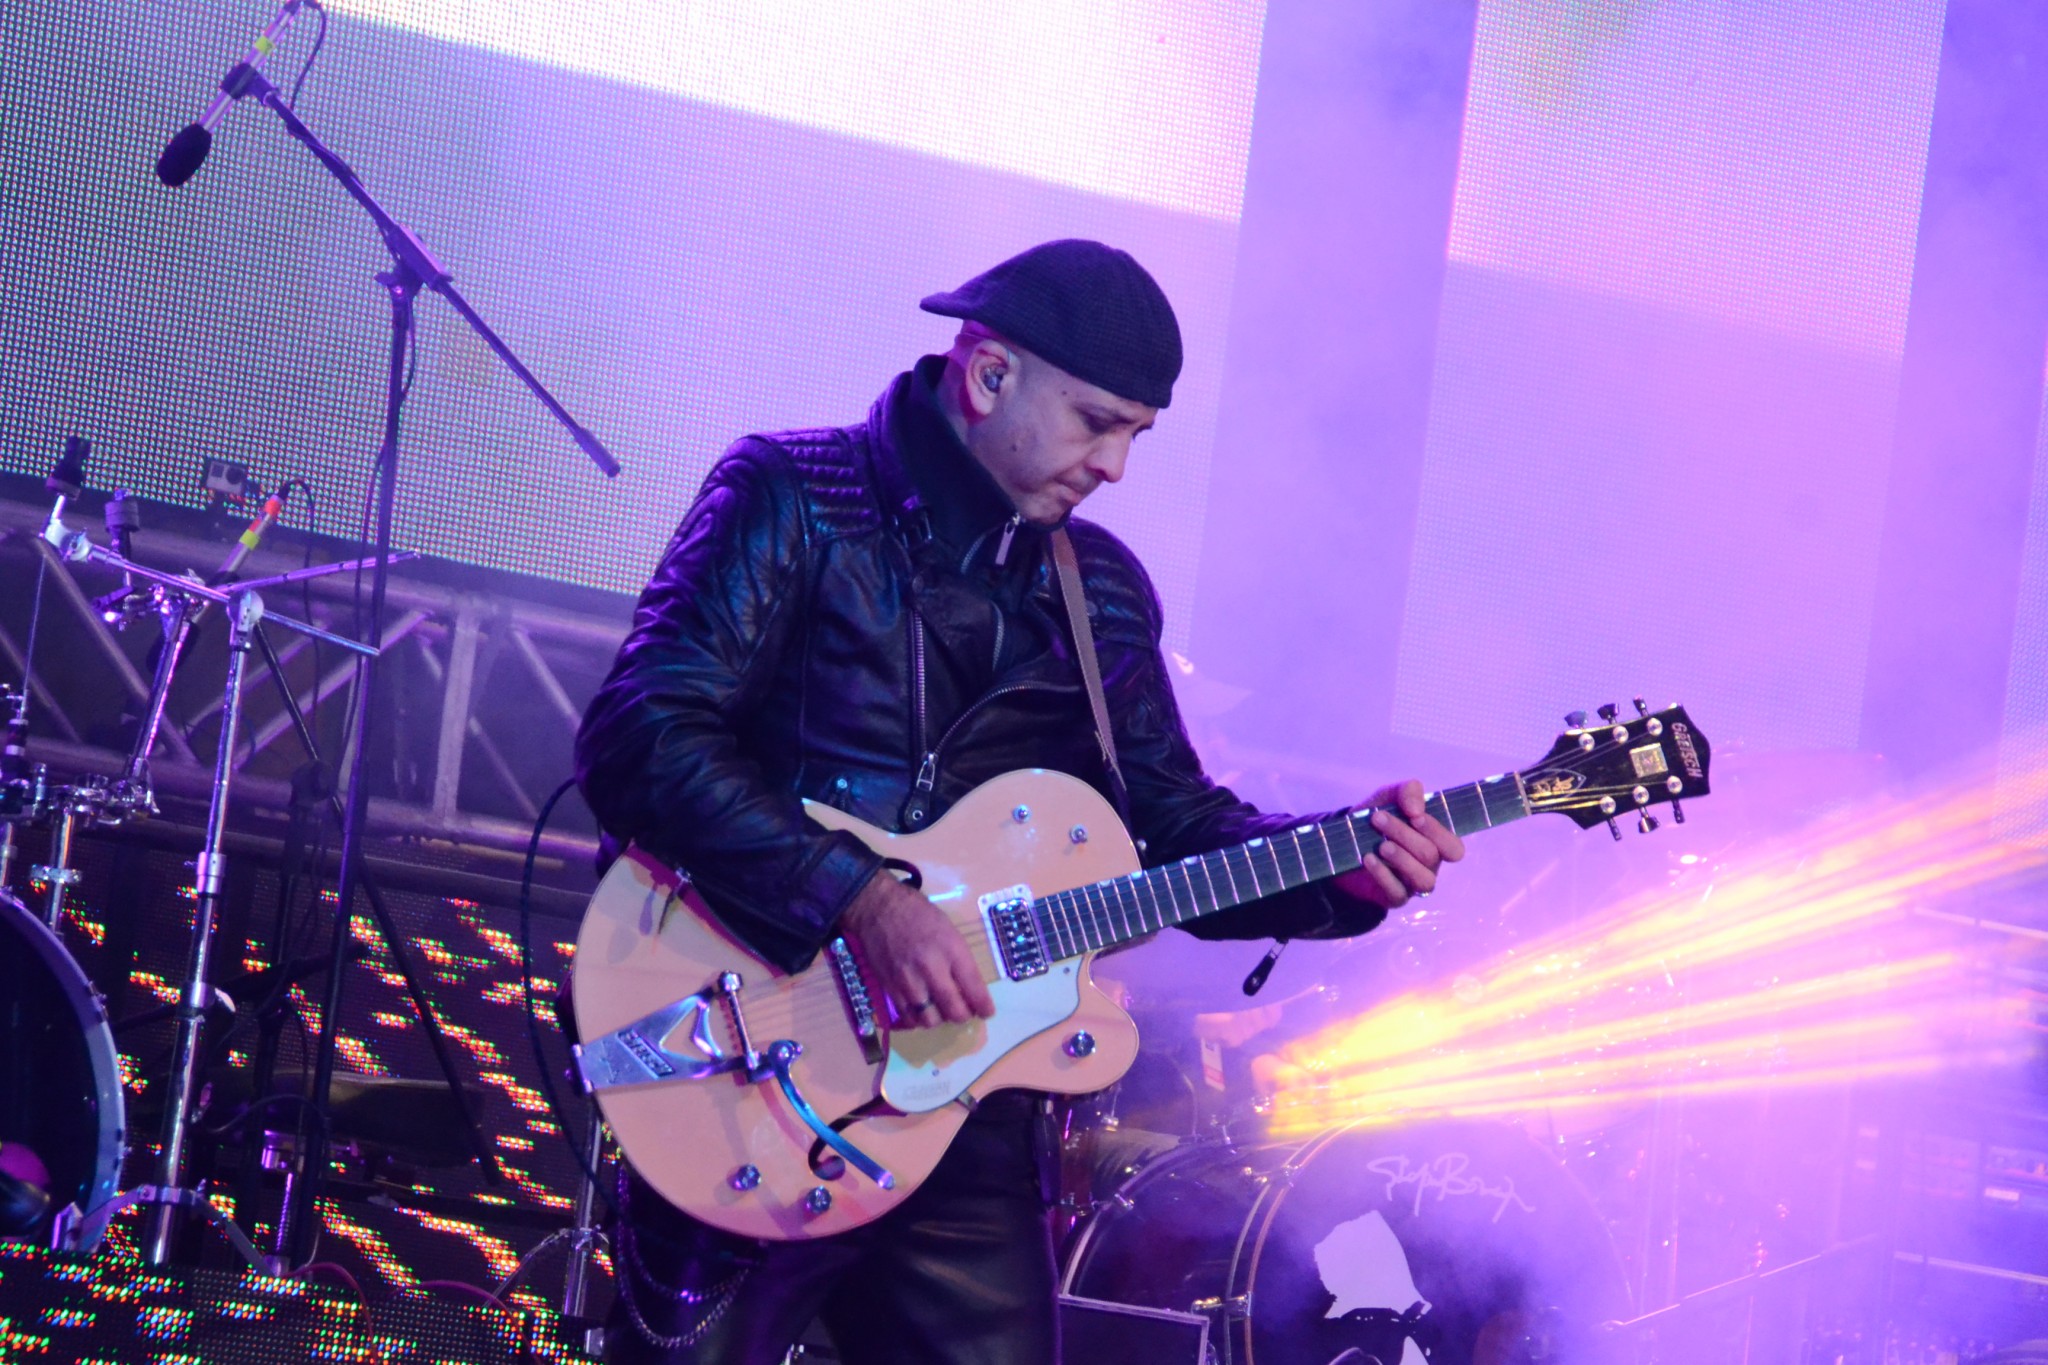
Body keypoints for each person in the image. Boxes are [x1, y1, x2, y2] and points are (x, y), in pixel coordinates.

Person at [574, 239, 1465, 1365]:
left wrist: (1338, 872)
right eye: (1096, 423)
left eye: (1136, 435)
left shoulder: (1100, 590)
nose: (1115, 467)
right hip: (753, 1069)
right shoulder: (792, 496)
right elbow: (640, 734)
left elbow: (1176, 830)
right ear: (988, 374)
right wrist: (860, 900)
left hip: (970, 1117)